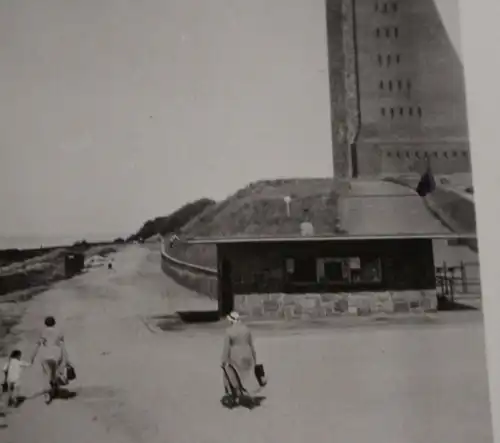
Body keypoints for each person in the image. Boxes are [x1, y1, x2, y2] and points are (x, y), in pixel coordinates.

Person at [31, 316, 69, 404]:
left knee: (46, 375)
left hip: (45, 355)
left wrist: (32, 356)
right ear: (54, 323)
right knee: (55, 372)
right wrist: (66, 358)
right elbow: (62, 346)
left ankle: (48, 395)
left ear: (45, 323)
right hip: (56, 355)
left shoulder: (43, 332)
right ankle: (55, 389)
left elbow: (38, 344)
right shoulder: (59, 332)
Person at [221, 312, 257, 403]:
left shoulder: (229, 331)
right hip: (247, 353)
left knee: (231, 374)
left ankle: (235, 395)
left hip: (235, 355)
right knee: (246, 375)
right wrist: (254, 357)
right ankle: (248, 394)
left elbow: (226, 347)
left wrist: (224, 359)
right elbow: (251, 345)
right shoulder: (246, 329)